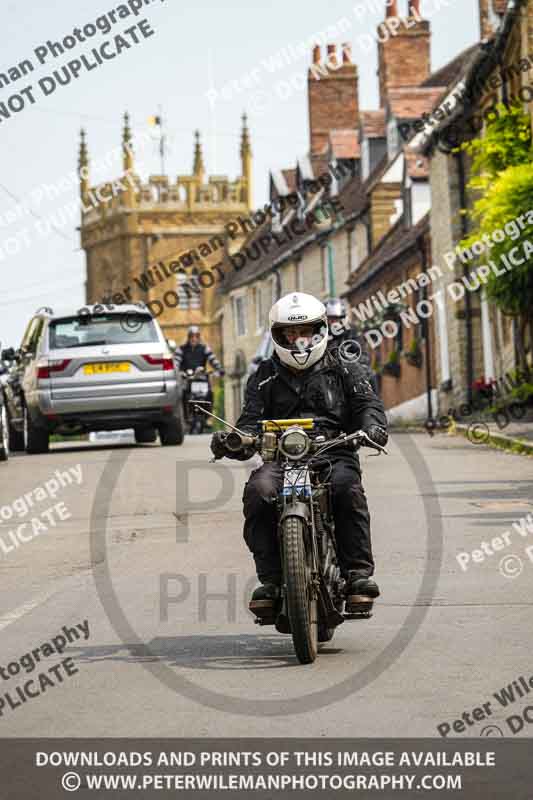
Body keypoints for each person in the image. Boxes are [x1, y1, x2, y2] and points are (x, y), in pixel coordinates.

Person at [210, 292, 388, 615]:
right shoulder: (264, 376)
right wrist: (232, 441)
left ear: (320, 330)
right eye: (289, 333)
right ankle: (272, 580)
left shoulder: (344, 366)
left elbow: (367, 404)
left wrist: (372, 427)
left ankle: (358, 574)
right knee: (258, 491)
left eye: (305, 331)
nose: (298, 339)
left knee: (347, 488)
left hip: (334, 451)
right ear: (277, 335)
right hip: (281, 458)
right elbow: (249, 423)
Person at [325, 298, 378, 394]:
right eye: (330, 319)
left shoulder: (351, 332)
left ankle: (375, 405)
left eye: (336, 319)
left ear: (342, 318)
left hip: (347, 370)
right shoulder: (321, 335)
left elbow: (362, 353)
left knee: (370, 374)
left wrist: (358, 363)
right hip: (325, 372)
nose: (333, 322)